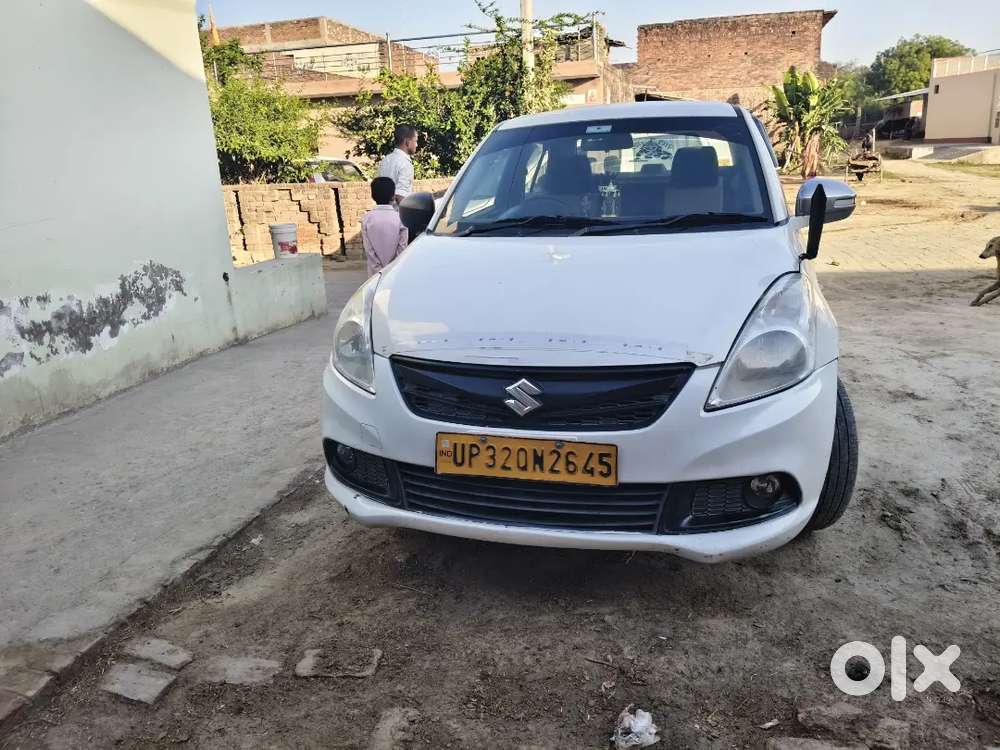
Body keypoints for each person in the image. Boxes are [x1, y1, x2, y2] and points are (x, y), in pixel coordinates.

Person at [362, 177, 408, 277]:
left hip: (374, 274)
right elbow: (402, 249)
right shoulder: (401, 219)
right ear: (393, 196)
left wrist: (378, 270)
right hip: (396, 271)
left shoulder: (367, 219)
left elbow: (369, 250)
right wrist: (392, 268)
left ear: (373, 196)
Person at [376, 124, 418, 204]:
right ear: (407, 142)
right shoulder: (405, 164)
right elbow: (400, 196)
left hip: (383, 212)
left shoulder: (385, 160)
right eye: (415, 141)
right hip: (398, 214)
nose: (416, 145)